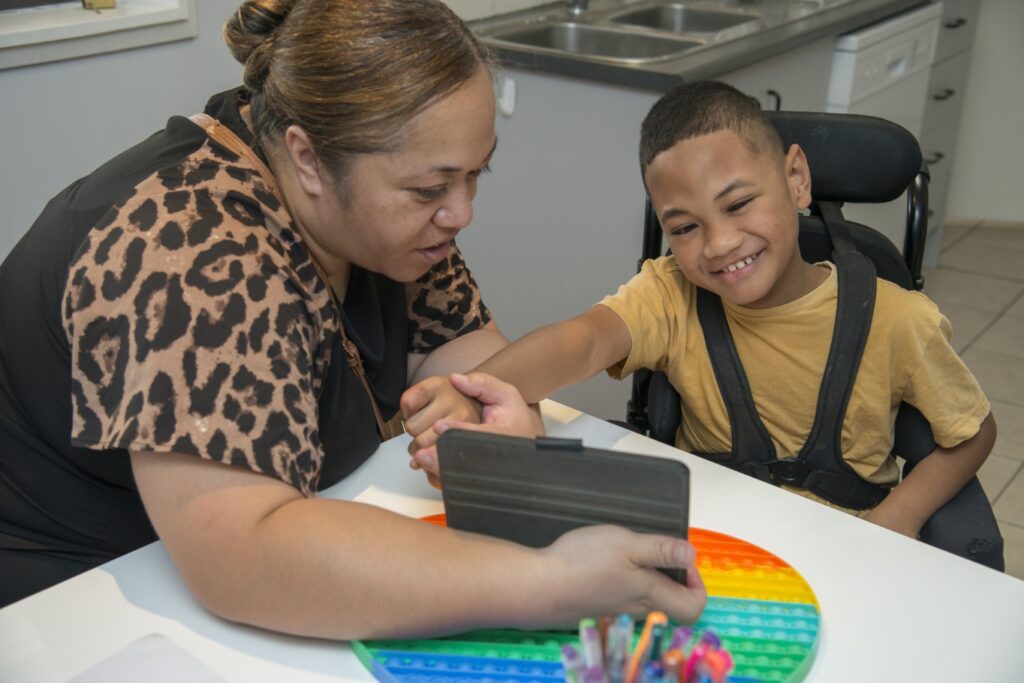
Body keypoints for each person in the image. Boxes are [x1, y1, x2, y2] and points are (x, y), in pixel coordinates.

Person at [0, 0, 707, 634]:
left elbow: (466, 357)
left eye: (474, 174)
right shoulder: (187, 246)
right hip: (74, 598)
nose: (461, 213)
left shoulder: (376, 217)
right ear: (308, 157)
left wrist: (506, 421)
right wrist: (548, 584)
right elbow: (247, 552)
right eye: (430, 186)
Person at [403, 80, 997, 541]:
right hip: (711, 539)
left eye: (738, 204)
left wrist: (902, 514)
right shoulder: (668, 293)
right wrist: (479, 391)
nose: (717, 245)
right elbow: (581, 342)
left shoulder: (900, 320)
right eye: (684, 227)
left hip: (851, 542)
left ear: (796, 178)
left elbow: (973, 432)